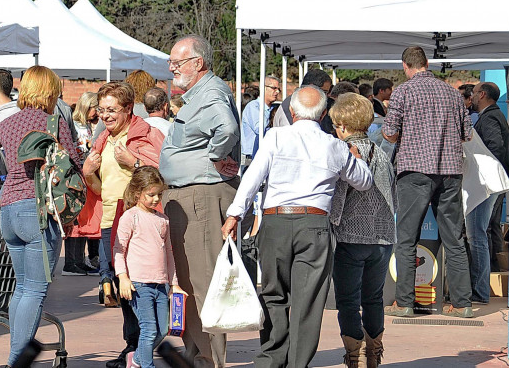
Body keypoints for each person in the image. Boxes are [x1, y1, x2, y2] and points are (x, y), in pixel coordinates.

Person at [222, 86, 373, 368]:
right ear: (324, 114)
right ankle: (297, 363)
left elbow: (253, 176)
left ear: (291, 113)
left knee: (273, 292)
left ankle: (271, 357)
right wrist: (356, 157)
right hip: (315, 224)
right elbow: (364, 181)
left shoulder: (275, 136)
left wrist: (234, 214)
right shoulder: (334, 145)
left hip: (276, 220)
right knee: (308, 300)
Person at [0, 65, 82, 367]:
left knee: (22, 287)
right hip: (39, 211)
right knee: (35, 289)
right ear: (49, 92)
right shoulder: (52, 122)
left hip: (9, 210)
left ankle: (16, 356)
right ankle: (17, 360)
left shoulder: (8, 121)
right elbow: (75, 163)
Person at [160, 34, 240, 368]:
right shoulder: (199, 95)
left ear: (198, 63)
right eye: (171, 62)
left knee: (203, 284)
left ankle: (209, 361)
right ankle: (196, 356)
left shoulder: (211, 93)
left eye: (178, 62)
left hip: (200, 196)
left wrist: (213, 158)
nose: (172, 68)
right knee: (191, 283)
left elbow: (228, 128)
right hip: (190, 196)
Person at [383, 46, 474, 318]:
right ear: (426, 63)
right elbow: (467, 135)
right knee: (454, 239)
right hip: (449, 171)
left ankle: (405, 302)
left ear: (405, 66)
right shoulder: (451, 93)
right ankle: (462, 304)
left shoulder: (403, 91)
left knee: (407, 239)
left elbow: (388, 133)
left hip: (414, 171)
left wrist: (406, 138)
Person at [81, 81, 164, 365]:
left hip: (138, 222)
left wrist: (135, 162)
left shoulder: (144, 135)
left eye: (112, 110)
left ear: (128, 108)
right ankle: (134, 348)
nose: (105, 115)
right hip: (109, 220)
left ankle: (139, 348)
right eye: (101, 110)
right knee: (122, 285)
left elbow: (159, 177)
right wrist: (88, 172)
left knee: (137, 286)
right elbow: (98, 188)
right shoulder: (102, 139)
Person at [328, 93, 395, 368]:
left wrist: (328, 222)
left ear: (343, 124)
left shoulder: (344, 151)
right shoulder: (382, 152)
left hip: (350, 237)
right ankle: (374, 355)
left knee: (347, 300)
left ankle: (353, 357)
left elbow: (339, 197)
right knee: (373, 298)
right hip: (383, 237)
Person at [114, 167, 187, 368]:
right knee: (148, 329)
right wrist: (123, 277)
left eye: (159, 194)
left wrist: (174, 284)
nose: (156, 199)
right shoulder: (130, 217)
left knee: (162, 329)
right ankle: (146, 365)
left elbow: (169, 253)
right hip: (139, 284)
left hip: (161, 284)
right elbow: (118, 249)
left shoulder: (163, 220)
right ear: (137, 193)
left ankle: (136, 358)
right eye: (151, 194)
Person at [470, 82, 509, 297]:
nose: (472, 97)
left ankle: (480, 289)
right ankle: (482, 286)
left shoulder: (490, 117)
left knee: (478, 234)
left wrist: (481, 168)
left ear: (482, 94)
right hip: (491, 182)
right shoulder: (494, 115)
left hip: (487, 184)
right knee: (482, 231)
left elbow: (496, 146)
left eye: (474, 93)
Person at [65, 91, 101, 276]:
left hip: (83, 175)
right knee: (75, 220)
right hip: (76, 176)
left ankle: (78, 259)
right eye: (96, 108)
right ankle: (71, 262)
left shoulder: (85, 125)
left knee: (81, 220)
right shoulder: (76, 125)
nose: (98, 113)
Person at [241, 75, 281, 162]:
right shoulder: (253, 107)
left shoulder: (276, 108)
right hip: (252, 158)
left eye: (279, 89)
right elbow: (260, 129)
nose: (277, 92)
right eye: (274, 88)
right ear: (263, 88)